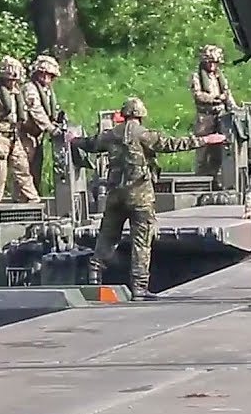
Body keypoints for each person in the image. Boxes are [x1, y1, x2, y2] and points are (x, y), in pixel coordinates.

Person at [72, 97, 227, 300]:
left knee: (107, 237)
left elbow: (90, 144)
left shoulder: (110, 135)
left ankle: (94, 276)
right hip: (140, 198)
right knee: (141, 242)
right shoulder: (144, 135)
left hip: (115, 196)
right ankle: (139, 288)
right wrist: (205, 140)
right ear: (141, 115)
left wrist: (73, 139)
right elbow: (172, 144)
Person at [0, 56, 39, 203]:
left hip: (15, 136)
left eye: (15, 80)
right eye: (10, 80)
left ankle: (30, 196)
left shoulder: (16, 93)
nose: (13, 83)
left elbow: (24, 114)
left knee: (23, 168)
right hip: (1, 135)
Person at [190, 44, 235, 178]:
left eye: (215, 63)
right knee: (203, 149)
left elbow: (227, 93)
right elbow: (197, 95)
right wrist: (214, 98)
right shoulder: (197, 76)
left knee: (220, 150)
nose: (212, 65)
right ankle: (200, 178)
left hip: (220, 116)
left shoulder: (219, 77)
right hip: (205, 117)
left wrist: (233, 107)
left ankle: (217, 177)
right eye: (209, 62)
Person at [21, 55, 62, 194]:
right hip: (26, 136)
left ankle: (33, 199)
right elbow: (36, 111)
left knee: (36, 170)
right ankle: (24, 202)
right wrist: (50, 128)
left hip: (37, 137)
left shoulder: (48, 91)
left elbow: (50, 111)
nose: (46, 77)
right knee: (25, 172)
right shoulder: (30, 89)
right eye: (42, 73)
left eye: (49, 75)